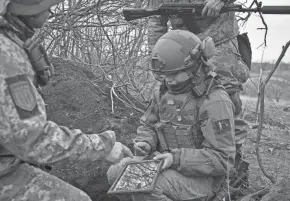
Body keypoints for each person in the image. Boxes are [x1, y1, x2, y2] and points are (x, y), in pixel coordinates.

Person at [0, 1, 133, 201]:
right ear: (30, 9)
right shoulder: (8, 56)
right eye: (46, 7)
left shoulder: (11, 41)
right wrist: (103, 146)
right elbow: (32, 140)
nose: (50, 12)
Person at [107, 29, 237, 201]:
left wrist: (175, 159)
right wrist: (146, 142)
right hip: (166, 165)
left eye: (174, 73)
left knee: (142, 183)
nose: (169, 80)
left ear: (194, 67)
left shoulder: (214, 101)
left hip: (203, 179)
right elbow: (150, 125)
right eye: (165, 74)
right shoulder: (163, 92)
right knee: (116, 172)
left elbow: (223, 159)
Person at [145, 0, 249, 161]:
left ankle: (232, 163)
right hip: (181, 49)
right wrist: (158, 60)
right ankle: (185, 157)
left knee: (228, 98)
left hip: (219, 40)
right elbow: (155, 17)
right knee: (174, 99)